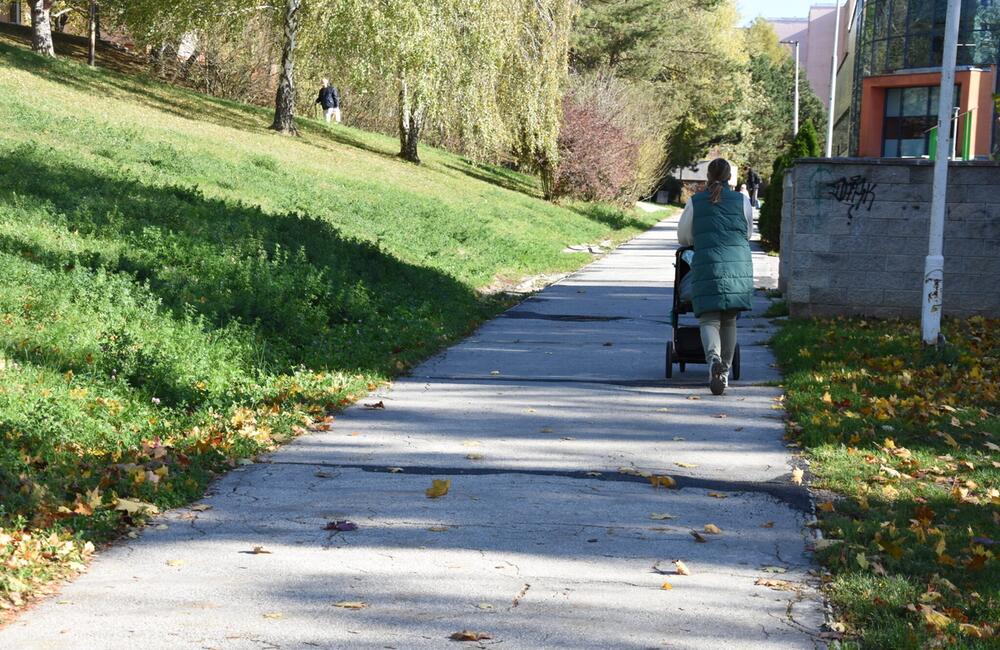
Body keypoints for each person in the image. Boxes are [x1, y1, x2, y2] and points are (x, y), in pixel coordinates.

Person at [677, 158, 754, 395]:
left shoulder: (695, 202)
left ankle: (713, 360)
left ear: (707, 177)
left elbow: (684, 237)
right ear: (730, 177)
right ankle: (725, 371)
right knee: (729, 319)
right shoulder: (743, 200)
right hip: (736, 265)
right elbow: (748, 232)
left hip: (707, 264)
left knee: (709, 319)